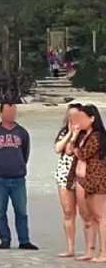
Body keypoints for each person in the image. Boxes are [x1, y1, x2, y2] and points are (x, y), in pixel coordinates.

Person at [0, 102, 37, 250]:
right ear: (1, 113)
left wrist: (20, 166)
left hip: (18, 178)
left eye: (13, 112)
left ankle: (24, 240)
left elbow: (25, 152)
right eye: (7, 112)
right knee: (0, 210)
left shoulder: (22, 132)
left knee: (21, 210)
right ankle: (5, 239)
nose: (10, 115)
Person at [66, 104, 106, 262]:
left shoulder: (97, 136)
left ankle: (103, 252)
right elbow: (70, 150)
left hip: (95, 179)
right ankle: (90, 250)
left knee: (100, 216)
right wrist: (74, 135)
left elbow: (83, 154)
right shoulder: (82, 136)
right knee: (88, 216)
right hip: (81, 179)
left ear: (92, 119)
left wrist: (76, 150)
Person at [54, 103, 81, 258]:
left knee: (88, 214)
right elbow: (58, 148)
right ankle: (70, 248)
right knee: (68, 212)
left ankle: (94, 247)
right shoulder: (64, 132)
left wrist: (76, 134)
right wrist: (70, 134)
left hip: (82, 175)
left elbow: (72, 151)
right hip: (64, 175)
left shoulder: (88, 133)